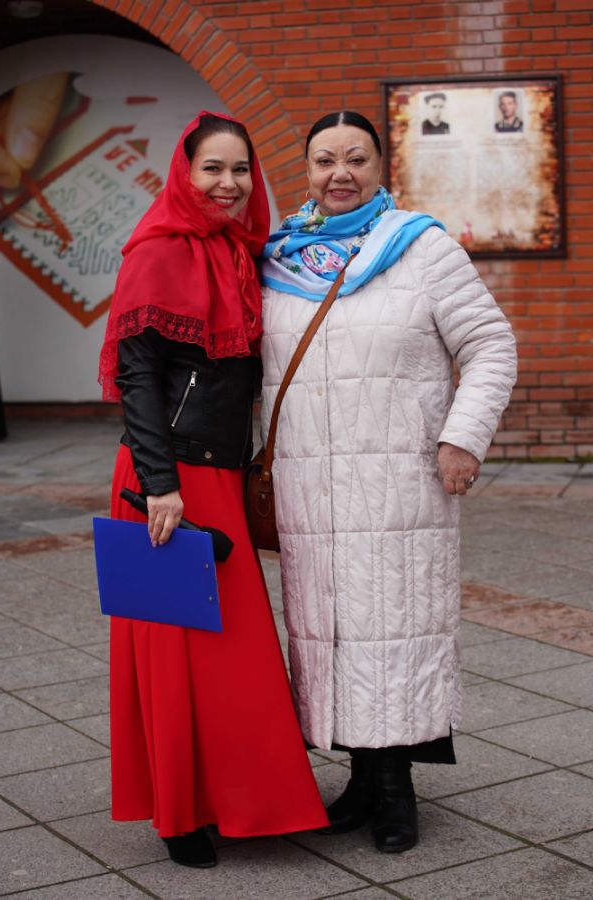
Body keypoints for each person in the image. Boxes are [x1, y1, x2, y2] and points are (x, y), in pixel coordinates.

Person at [261, 110, 517, 854]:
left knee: (394, 630)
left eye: (356, 158)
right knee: (330, 635)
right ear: (307, 171)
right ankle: (362, 781)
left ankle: (396, 788)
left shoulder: (422, 247)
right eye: (324, 160)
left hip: (399, 485)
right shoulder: (279, 259)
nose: (339, 173)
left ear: (380, 168)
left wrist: (462, 438)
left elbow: (491, 344)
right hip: (310, 490)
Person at [98, 111, 328, 869]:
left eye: (240, 171)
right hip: (167, 480)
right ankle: (179, 814)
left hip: (218, 473)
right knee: (177, 651)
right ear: (184, 173)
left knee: (231, 652)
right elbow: (137, 377)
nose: (228, 185)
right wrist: (160, 486)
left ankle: (243, 798)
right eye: (212, 169)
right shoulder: (159, 251)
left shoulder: (241, 251)